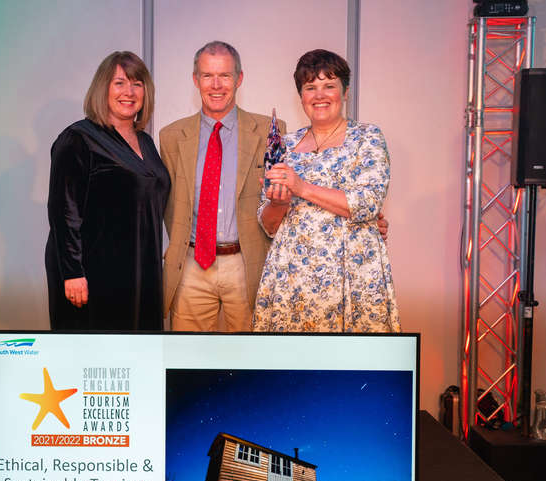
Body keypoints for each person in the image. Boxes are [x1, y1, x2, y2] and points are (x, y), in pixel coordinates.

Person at [160, 41, 389, 332]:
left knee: (253, 363)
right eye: (207, 76)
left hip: (254, 265)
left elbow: (366, 199)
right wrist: (279, 203)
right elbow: (165, 201)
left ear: (239, 79)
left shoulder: (273, 133)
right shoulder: (171, 137)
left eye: (225, 76)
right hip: (201, 266)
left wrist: (370, 220)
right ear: (196, 80)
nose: (216, 85)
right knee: (188, 360)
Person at [253, 49, 400, 332]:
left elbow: (367, 204)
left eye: (329, 86)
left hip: (352, 277)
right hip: (292, 279)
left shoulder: (367, 137)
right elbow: (269, 225)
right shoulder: (283, 145)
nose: (320, 95)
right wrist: (279, 203)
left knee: (351, 370)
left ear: (344, 92)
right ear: (301, 97)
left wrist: (301, 187)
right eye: (310, 87)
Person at [45, 51, 170, 330]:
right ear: (103, 88)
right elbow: (64, 211)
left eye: (137, 84)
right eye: (119, 83)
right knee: (96, 363)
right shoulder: (78, 139)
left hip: (140, 272)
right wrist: (73, 272)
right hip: (94, 276)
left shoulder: (146, 143)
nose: (129, 91)